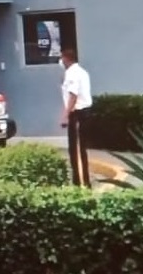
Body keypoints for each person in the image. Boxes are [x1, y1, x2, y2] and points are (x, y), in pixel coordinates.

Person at [59, 48, 93, 187]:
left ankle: (81, 184)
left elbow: (73, 95)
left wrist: (65, 116)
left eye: (62, 59)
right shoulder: (82, 72)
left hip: (78, 114)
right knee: (80, 148)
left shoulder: (72, 73)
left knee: (77, 149)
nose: (61, 62)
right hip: (84, 113)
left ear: (66, 59)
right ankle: (82, 181)